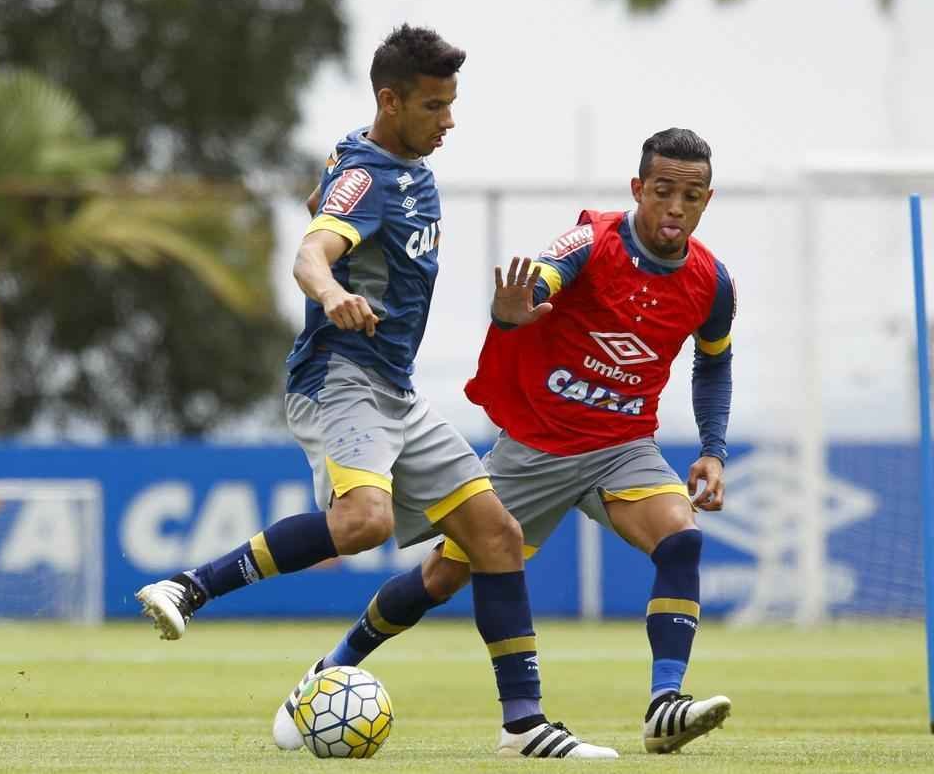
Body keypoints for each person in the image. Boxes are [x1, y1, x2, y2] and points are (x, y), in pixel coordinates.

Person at [136, 24, 617, 760]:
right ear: (390, 102)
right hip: (341, 379)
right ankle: (188, 587)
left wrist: (328, 210)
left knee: (496, 537)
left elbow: (318, 200)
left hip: (395, 388)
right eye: (434, 106)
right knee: (364, 519)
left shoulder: (381, 163)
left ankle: (524, 725)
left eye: (452, 103)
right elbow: (310, 251)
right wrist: (331, 292)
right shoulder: (367, 175)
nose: (449, 120)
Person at [273, 127, 735, 755]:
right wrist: (514, 310)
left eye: (691, 195)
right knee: (439, 578)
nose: (676, 207)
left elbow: (713, 362)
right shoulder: (593, 241)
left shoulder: (712, 283)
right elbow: (538, 282)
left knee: (681, 538)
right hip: (536, 448)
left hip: (623, 445)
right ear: (638, 189)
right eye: (663, 191)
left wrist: (712, 447)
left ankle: (664, 705)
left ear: (707, 199)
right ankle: (333, 665)